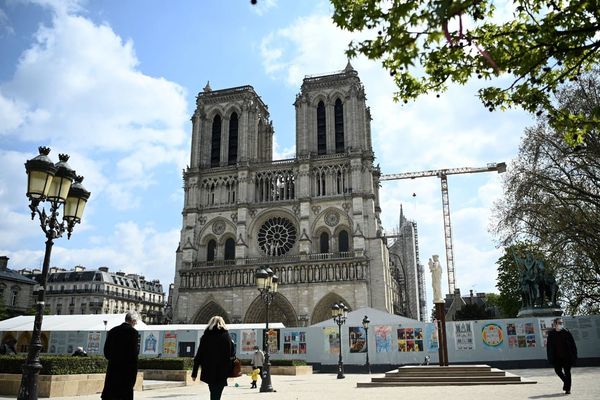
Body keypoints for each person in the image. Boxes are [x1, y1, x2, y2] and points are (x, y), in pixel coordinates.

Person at [191, 316, 235, 400]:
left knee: (213, 392)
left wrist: (194, 373)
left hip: (209, 370)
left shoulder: (206, 336)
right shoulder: (227, 337)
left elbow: (199, 355)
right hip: (222, 370)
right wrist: (230, 369)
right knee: (217, 394)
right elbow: (232, 354)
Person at [101, 311, 140, 400]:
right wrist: (134, 373)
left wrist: (114, 359)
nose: (136, 323)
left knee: (111, 395)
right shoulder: (133, 332)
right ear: (133, 321)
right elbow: (133, 355)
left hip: (113, 370)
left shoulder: (112, 331)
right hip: (126, 372)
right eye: (136, 322)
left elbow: (106, 352)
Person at [547, 317, 578, 395]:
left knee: (567, 372)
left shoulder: (566, 332)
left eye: (561, 323)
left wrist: (574, 356)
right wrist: (550, 357)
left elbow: (573, 345)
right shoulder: (551, 334)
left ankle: (568, 389)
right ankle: (566, 382)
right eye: (559, 323)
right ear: (555, 324)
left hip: (567, 356)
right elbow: (549, 347)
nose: (561, 324)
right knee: (558, 371)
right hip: (557, 357)